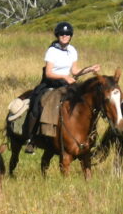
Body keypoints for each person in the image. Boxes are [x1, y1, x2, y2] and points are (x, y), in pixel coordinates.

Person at [20, 22, 99, 151]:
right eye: (62, 34)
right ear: (57, 35)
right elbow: (49, 72)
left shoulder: (72, 50)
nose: (65, 36)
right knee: (37, 104)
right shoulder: (52, 51)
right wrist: (64, 77)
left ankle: (85, 135)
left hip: (67, 84)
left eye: (67, 34)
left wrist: (89, 69)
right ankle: (31, 138)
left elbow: (74, 71)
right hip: (50, 83)